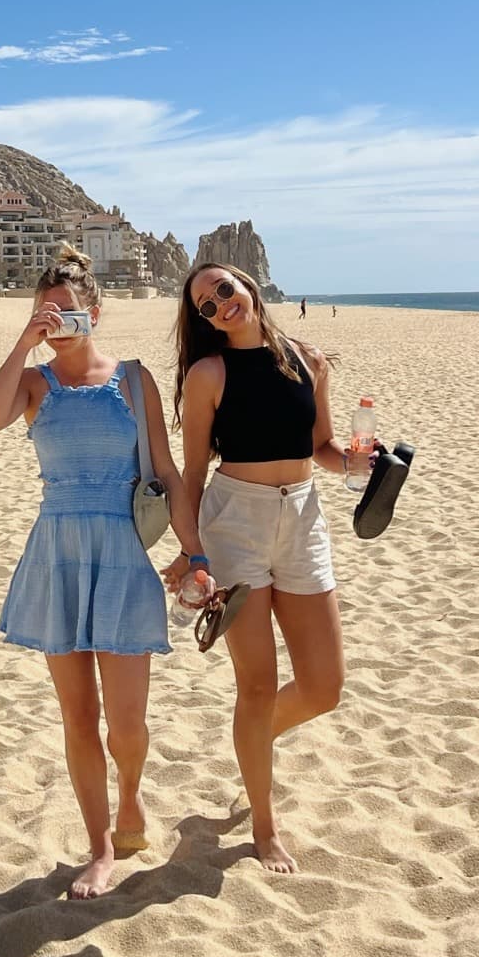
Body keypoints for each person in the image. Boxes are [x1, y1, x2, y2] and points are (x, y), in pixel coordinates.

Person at [0, 244, 204, 900]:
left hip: (124, 555)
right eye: (47, 314)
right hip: (59, 554)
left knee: (125, 724)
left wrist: (195, 553)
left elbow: (166, 470)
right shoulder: (33, 384)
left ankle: (131, 793)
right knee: (78, 717)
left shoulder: (132, 379)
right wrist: (24, 341)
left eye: (70, 313)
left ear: (97, 312)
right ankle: (100, 847)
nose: (59, 324)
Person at [167, 262, 361, 875]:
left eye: (225, 289)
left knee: (324, 686)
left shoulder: (307, 357)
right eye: (205, 305)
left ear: (247, 285)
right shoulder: (208, 374)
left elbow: (324, 450)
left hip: (302, 518)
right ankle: (263, 824)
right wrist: (192, 550)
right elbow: (192, 473)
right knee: (255, 685)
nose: (220, 304)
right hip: (235, 526)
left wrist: (360, 462)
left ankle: (254, 738)